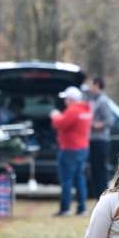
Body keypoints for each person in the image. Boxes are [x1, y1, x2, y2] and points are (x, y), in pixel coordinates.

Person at [51, 86, 92, 217]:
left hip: (70, 149)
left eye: (66, 99)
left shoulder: (73, 110)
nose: (65, 102)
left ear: (70, 100)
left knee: (67, 179)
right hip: (83, 148)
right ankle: (82, 208)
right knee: (80, 178)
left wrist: (55, 115)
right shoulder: (86, 109)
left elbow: (60, 124)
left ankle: (65, 208)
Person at [88, 76, 115, 199]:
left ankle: (104, 197)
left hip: (101, 140)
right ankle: (97, 196)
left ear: (97, 85)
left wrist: (98, 125)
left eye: (92, 85)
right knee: (94, 170)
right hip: (93, 140)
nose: (90, 87)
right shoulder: (93, 100)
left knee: (101, 170)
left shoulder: (103, 101)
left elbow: (110, 120)